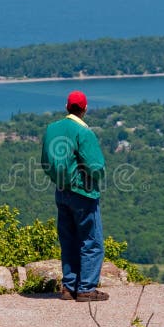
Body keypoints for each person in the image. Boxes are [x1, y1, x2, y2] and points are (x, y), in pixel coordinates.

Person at [40, 90, 109, 302]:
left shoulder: (52, 129)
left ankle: (69, 288)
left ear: (67, 107)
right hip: (83, 192)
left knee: (68, 239)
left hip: (61, 190)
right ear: (85, 109)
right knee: (91, 241)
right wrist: (95, 178)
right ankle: (86, 288)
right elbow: (96, 166)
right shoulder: (84, 132)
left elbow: (45, 161)